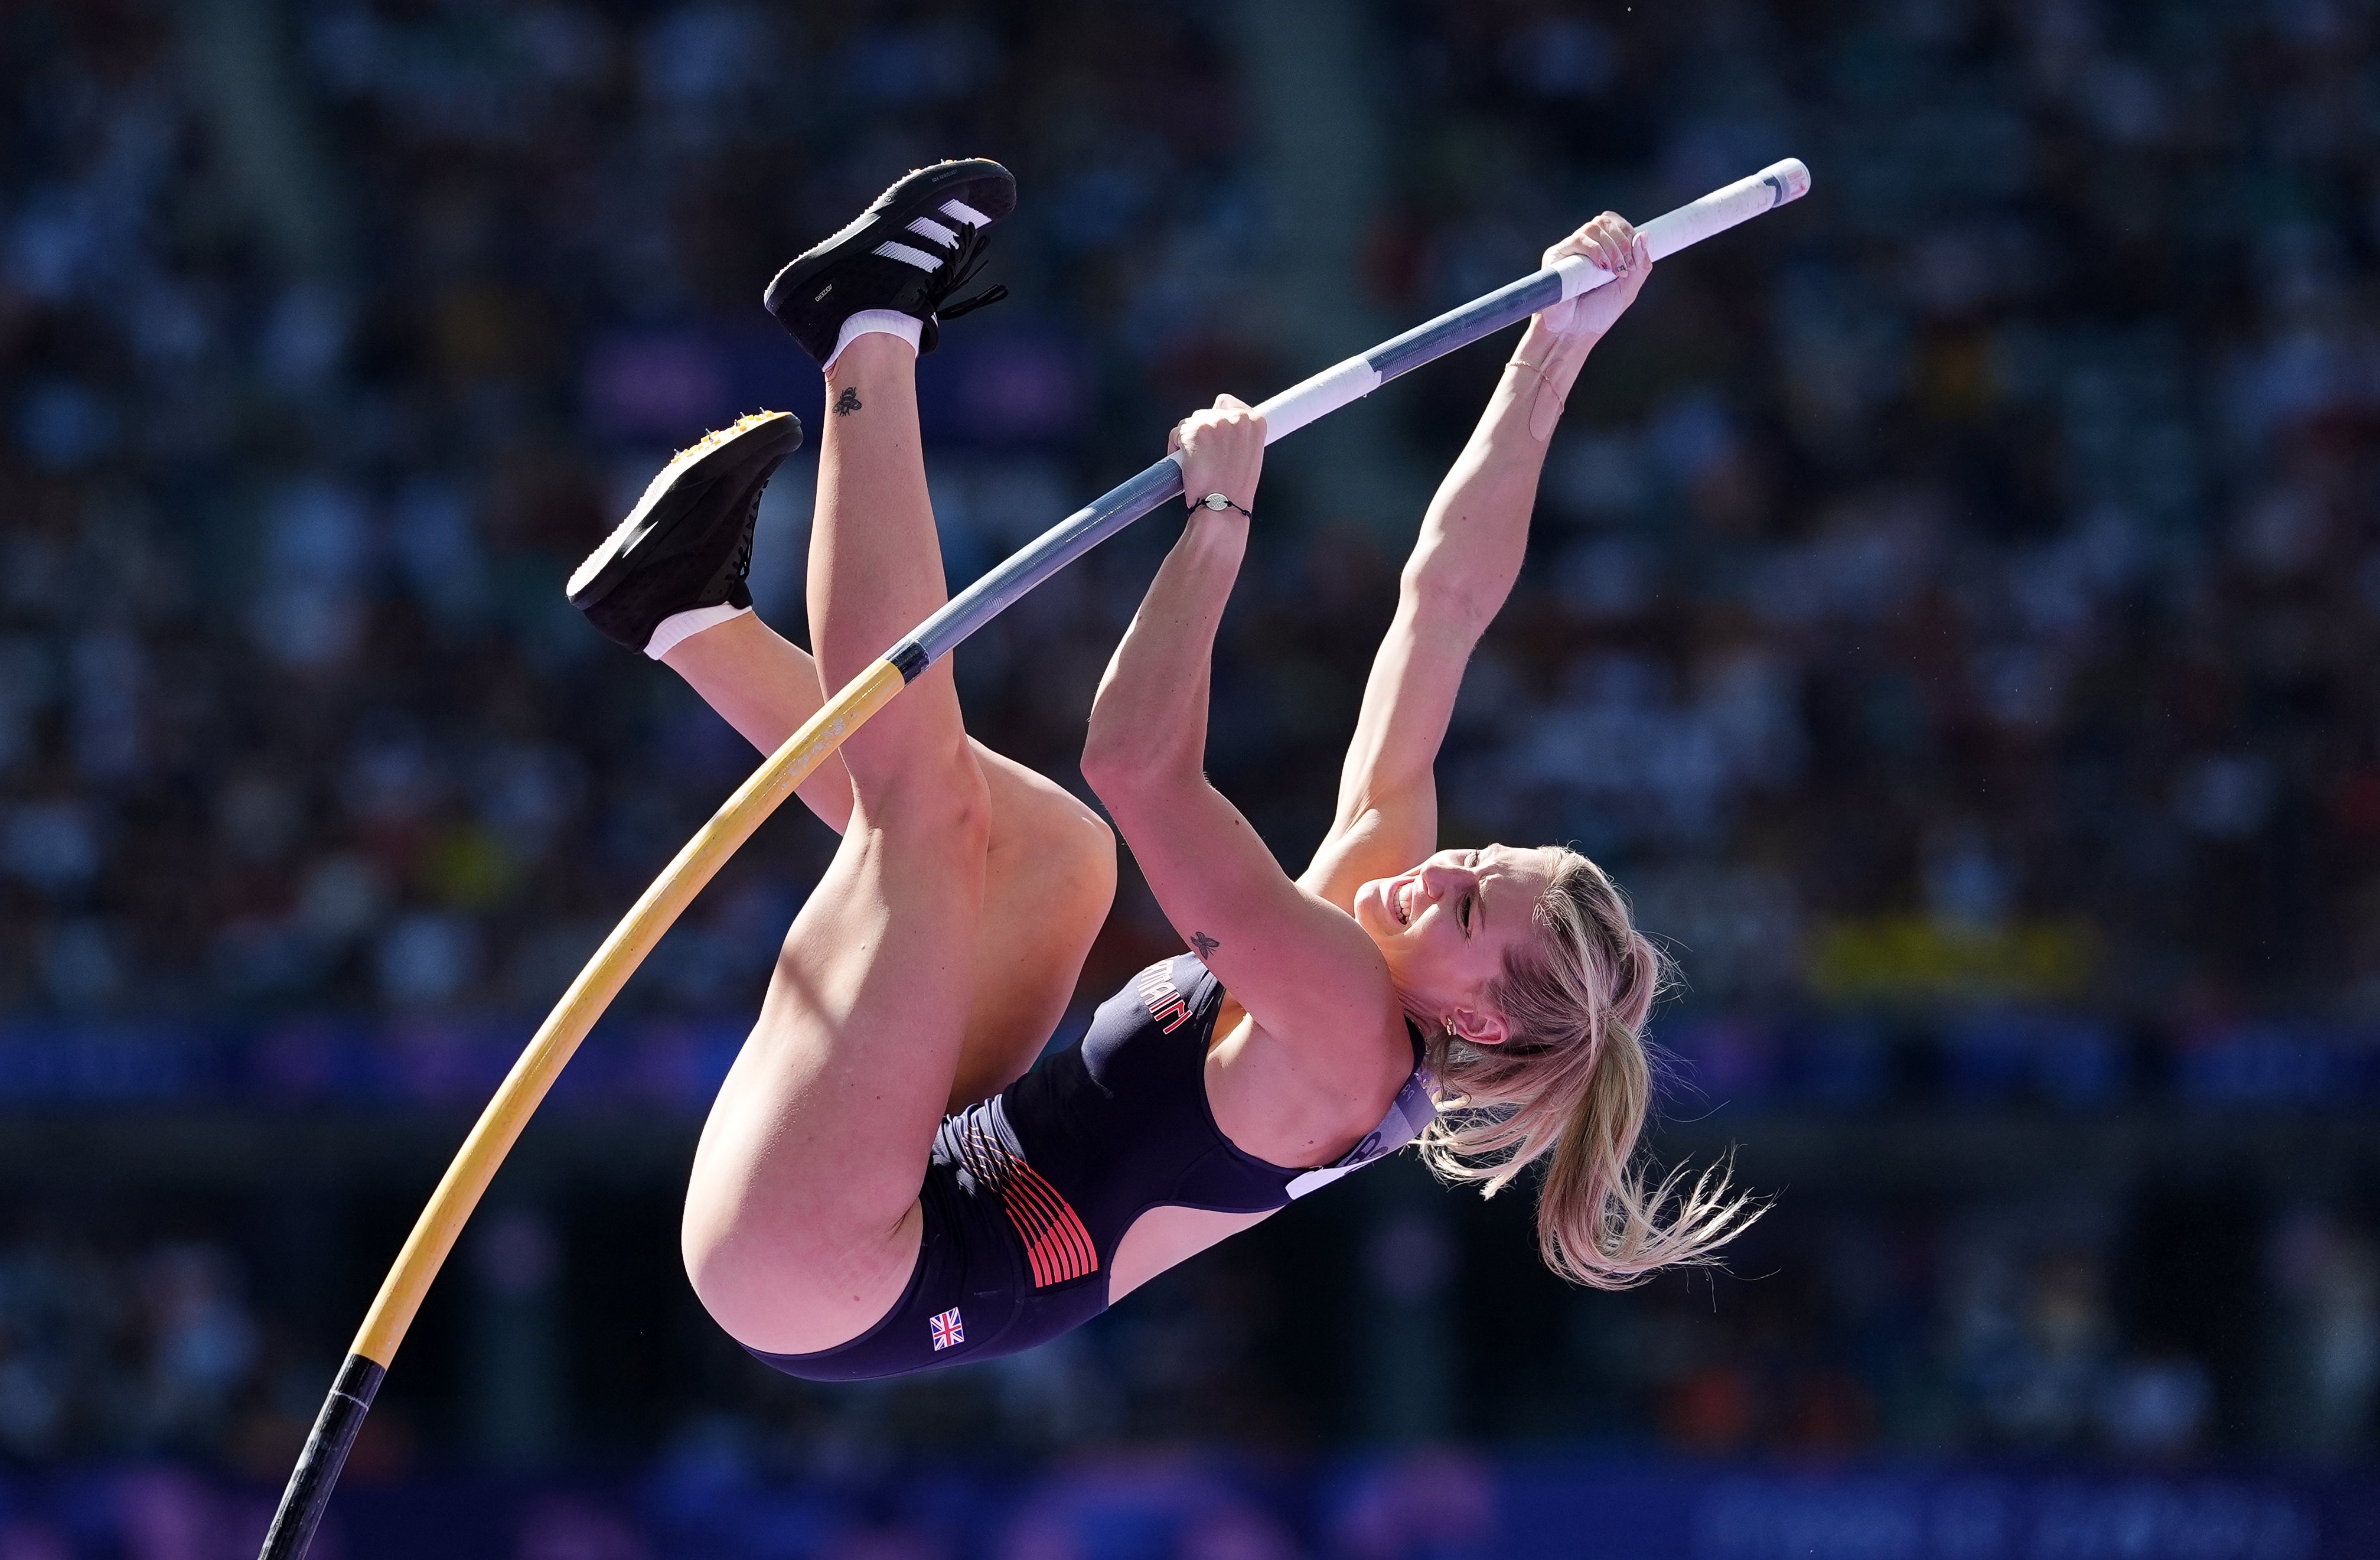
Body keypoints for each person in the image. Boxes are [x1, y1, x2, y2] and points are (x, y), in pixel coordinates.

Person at [566, 159, 1756, 1382]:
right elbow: (1441, 605)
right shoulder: (1375, 900)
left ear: (1478, 1017)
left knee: (922, 816)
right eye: (1480, 859)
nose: (1442, 866)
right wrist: (1552, 350)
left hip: (829, 1267)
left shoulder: (1348, 1033)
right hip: (898, 1179)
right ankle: (683, 615)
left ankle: (863, 328)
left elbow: (1135, 758)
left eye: (1464, 905)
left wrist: (1219, 523)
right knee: (1051, 855)